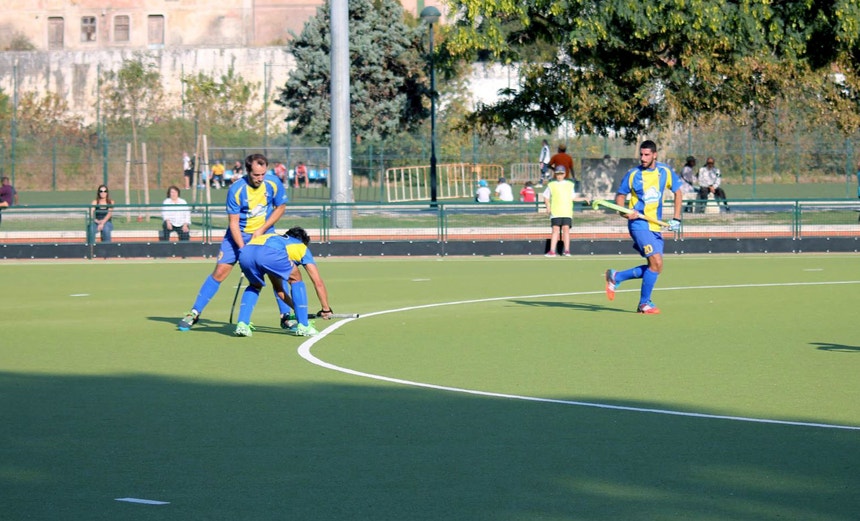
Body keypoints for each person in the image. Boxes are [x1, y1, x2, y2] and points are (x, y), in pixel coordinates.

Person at [177, 153, 289, 331]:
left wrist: (262, 229)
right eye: (256, 175)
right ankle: (194, 312)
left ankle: (286, 316)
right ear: (247, 172)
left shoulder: (273, 183)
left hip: (265, 234)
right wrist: (244, 250)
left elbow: (280, 207)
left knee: (276, 274)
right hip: (238, 235)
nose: (260, 178)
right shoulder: (236, 189)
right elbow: (233, 223)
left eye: (263, 174)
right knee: (220, 272)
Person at [603, 140, 682, 314]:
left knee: (656, 267)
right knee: (656, 262)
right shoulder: (633, 174)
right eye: (641, 154)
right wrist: (625, 212)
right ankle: (644, 304)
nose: (643, 158)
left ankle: (616, 277)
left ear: (655, 155)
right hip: (638, 224)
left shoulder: (665, 172)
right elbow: (620, 197)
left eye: (647, 155)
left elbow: (678, 192)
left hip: (655, 225)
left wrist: (677, 218)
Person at [234, 226, 333, 337]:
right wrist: (326, 309)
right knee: (296, 279)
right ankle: (304, 326)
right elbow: (318, 282)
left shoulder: (277, 239)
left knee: (255, 285)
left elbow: (279, 290)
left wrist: (297, 310)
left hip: (246, 252)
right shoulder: (301, 246)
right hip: (270, 254)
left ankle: (242, 324)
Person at [543, 166, 590, 257]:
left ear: (564, 174)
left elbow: (572, 198)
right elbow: (546, 197)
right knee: (555, 230)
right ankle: (552, 251)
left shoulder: (569, 184)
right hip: (555, 212)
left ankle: (567, 251)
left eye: (561, 174)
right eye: (557, 174)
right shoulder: (551, 185)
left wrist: (583, 198)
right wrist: (548, 206)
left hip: (567, 212)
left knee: (566, 230)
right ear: (555, 174)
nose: (559, 176)